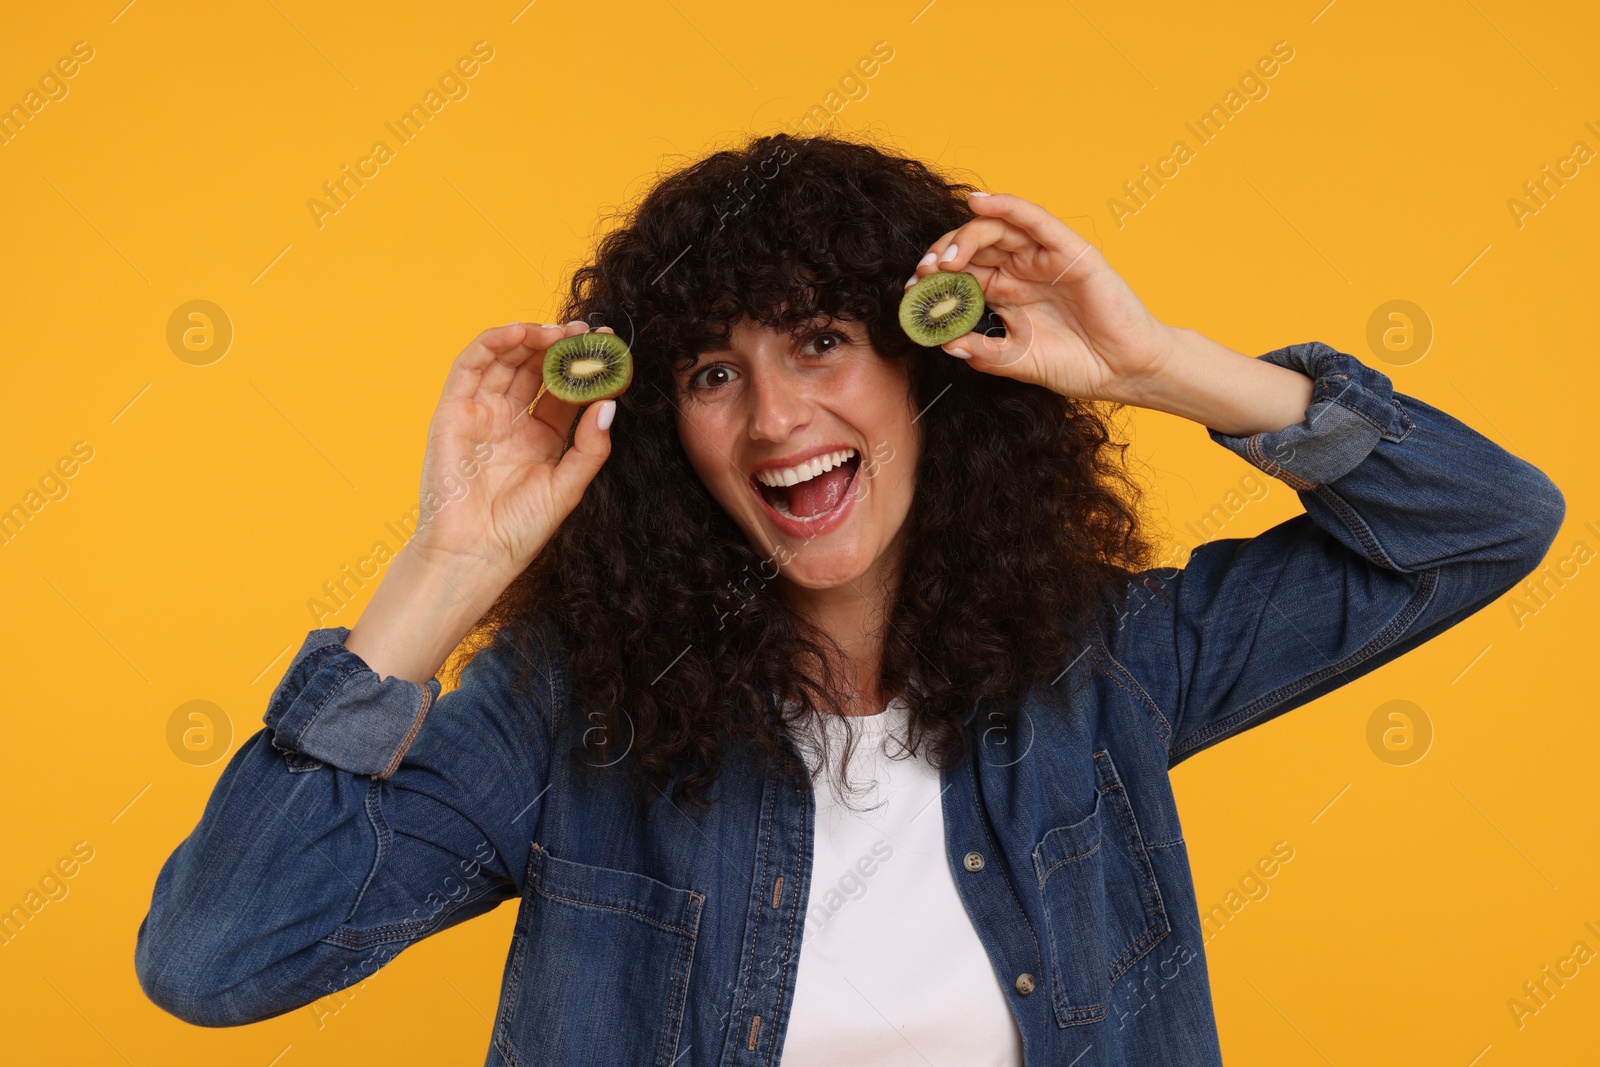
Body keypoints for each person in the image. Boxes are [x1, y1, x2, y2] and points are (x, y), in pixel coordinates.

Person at [134, 132, 1564, 1066]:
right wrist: (447, 568)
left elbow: (1486, 524)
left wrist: (1153, 364)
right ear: (664, 429)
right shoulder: (564, 720)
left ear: (931, 366)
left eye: (822, 342)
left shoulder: (1104, 671)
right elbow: (216, 962)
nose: (774, 418)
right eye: (712, 372)